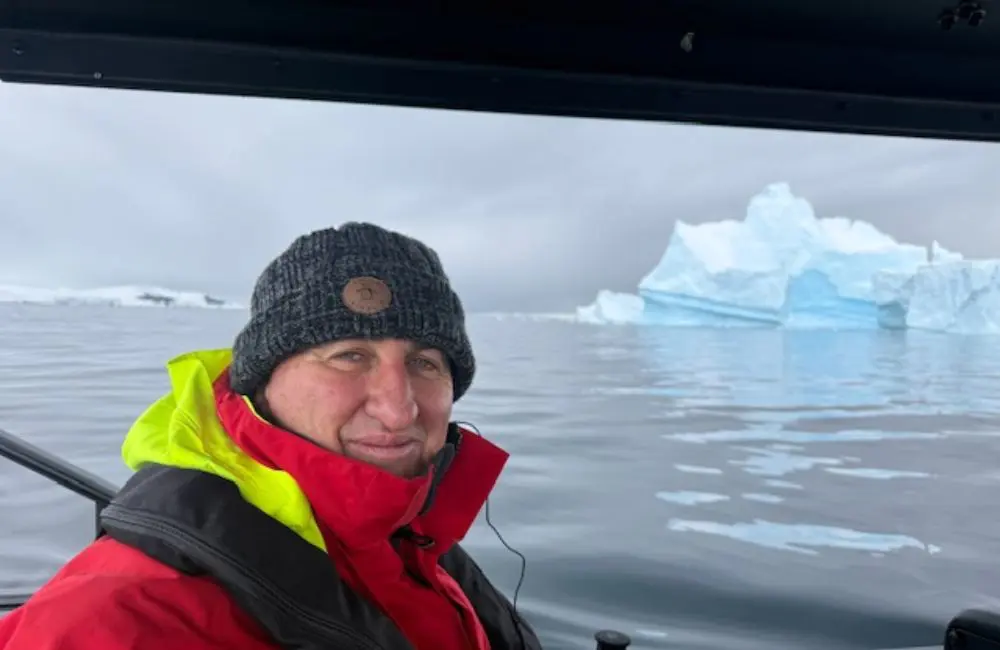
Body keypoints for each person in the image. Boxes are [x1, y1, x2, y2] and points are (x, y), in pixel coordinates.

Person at [0, 222, 542, 650]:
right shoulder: (117, 620)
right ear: (261, 383)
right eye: (350, 356)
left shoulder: (413, 534)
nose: (399, 409)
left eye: (426, 363)